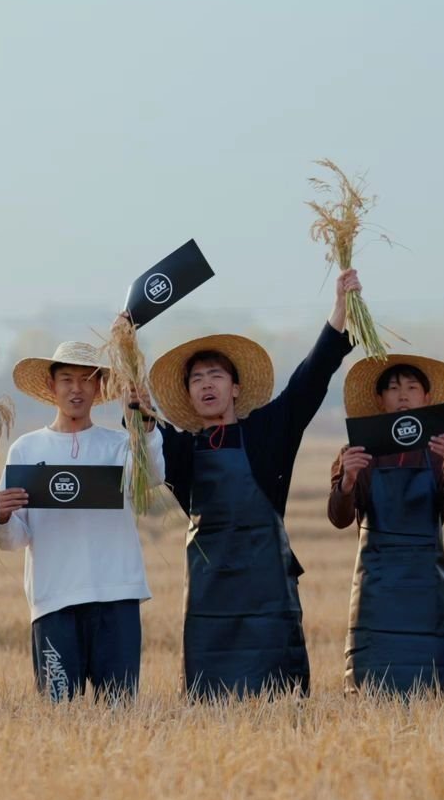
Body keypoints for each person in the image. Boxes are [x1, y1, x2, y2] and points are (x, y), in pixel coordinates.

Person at [147, 269, 362, 699]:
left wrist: (340, 311)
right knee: (211, 706)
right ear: (189, 396)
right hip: (210, 599)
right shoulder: (181, 450)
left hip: (269, 593)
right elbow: (145, 433)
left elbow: (310, 378)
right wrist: (127, 374)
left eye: (216, 375)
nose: (206, 384)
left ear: (236, 387)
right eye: (196, 379)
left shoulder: (269, 433)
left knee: (279, 703)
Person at [0, 330, 162, 701]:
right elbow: (15, 537)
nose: (77, 389)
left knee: (120, 716)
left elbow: (150, 477)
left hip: (116, 596)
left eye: (87, 379)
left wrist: (144, 426)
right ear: (51, 385)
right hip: (54, 598)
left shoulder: (119, 446)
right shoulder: (26, 450)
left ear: (100, 387)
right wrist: (0, 516)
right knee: (59, 717)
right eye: (67, 379)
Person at [327, 354, 444, 695]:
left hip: (427, 586)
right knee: (373, 691)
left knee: (436, 691)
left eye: (411, 388)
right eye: (393, 389)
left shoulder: (442, 451)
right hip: (376, 587)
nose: (403, 396)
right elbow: (339, 518)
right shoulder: (357, 451)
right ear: (380, 400)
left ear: (427, 398)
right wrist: (347, 480)